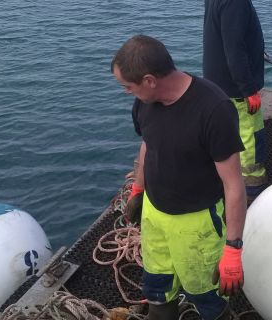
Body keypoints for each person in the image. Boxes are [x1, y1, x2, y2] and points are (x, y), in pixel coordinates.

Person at [111, 35, 247, 320]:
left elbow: (233, 184)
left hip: (197, 224)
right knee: (158, 291)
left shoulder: (214, 109)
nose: (126, 92)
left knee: (208, 298)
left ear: (149, 80)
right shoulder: (145, 103)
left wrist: (233, 248)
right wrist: (138, 189)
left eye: (128, 86)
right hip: (155, 217)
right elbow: (148, 144)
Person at [202, 0, 267, 201]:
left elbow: (227, 35)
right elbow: (234, 48)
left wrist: (256, 52)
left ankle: (226, 180)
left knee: (227, 132)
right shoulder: (236, 3)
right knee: (250, 134)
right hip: (236, 88)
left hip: (217, 83)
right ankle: (251, 189)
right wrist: (248, 90)